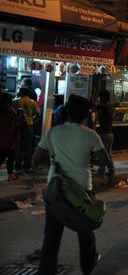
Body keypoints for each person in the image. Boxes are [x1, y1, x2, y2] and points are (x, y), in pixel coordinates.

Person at [33, 94, 108, 275]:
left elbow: (36, 159)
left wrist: (53, 163)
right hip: (82, 189)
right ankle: (88, 266)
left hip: (56, 189)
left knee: (52, 235)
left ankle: (47, 271)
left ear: (66, 112)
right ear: (85, 115)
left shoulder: (53, 133)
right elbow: (103, 160)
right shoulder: (91, 135)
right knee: (85, 231)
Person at [12, 87, 38, 174]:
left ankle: (17, 167)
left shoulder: (14, 101)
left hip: (17, 126)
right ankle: (27, 166)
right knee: (28, 146)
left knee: (18, 146)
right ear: (29, 93)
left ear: (19, 92)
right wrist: (32, 119)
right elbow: (37, 114)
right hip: (29, 125)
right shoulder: (33, 102)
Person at [95, 90, 114, 184]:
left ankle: (107, 171)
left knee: (105, 153)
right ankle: (107, 171)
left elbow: (96, 105)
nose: (98, 99)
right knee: (107, 153)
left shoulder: (106, 106)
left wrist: (93, 95)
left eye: (99, 97)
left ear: (103, 98)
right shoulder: (109, 106)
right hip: (109, 133)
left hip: (105, 133)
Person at [0, 93, 19, 181]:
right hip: (9, 138)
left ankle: (11, 174)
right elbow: (16, 126)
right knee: (10, 158)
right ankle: (10, 174)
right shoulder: (11, 111)